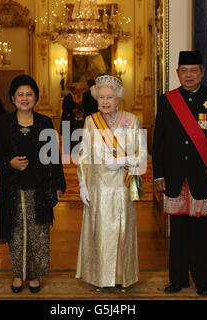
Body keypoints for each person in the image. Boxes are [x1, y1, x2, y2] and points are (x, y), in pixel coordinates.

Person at [152, 51, 207, 296]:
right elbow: (159, 141)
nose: (188, 75)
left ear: (202, 72)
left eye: (193, 70)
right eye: (183, 71)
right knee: (177, 233)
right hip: (175, 177)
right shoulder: (167, 100)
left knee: (202, 234)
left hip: (205, 177)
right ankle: (177, 280)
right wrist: (158, 175)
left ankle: (203, 281)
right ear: (177, 73)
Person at [0, 74, 66, 294]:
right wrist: (8, 163)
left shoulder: (44, 122)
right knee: (15, 232)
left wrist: (58, 183)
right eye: (20, 94)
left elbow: (54, 157)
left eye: (29, 94)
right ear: (12, 98)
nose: (24, 98)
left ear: (35, 97)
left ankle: (34, 275)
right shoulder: (2, 124)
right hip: (12, 188)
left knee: (38, 233)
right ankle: (17, 274)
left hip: (39, 187)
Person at [76, 75, 147, 291]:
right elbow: (84, 155)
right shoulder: (90, 121)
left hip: (120, 186)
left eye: (110, 97)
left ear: (119, 98)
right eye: (101, 97)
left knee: (121, 232)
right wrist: (82, 184)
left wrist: (123, 160)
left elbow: (142, 154)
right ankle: (99, 278)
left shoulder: (131, 120)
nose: (105, 101)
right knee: (99, 232)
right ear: (96, 99)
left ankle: (121, 277)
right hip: (97, 186)